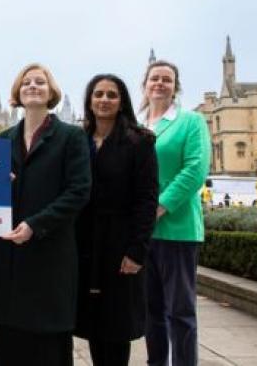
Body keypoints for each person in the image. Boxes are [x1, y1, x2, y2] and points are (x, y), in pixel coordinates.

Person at [0, 63, 91, 366]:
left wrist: (35, 224)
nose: (33, 86)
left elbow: (79, 191)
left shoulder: (71, 137)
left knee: (49, 348)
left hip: (51, 255)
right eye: (26, 82)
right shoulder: (1, 140)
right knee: (9, 345)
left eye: (40, 82)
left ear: (51, 92)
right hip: (10, 257)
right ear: (18, 92)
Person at [74, 74, 159, 365]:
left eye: (112, 95)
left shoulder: (140, 141)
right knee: (94, 324)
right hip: (85, 243)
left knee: (117, 326)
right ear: (89, 100)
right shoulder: (79, 140)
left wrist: (137, 251)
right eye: (98, 94)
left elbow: (147, 200)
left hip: (120, 244)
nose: (104, 100)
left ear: (122, 101)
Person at [140, 60, 211, 366]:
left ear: (175, 86)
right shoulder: (138, 126)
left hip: (178, 228)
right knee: (151, 312)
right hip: (143, 233)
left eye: (166, 79)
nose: (159, 83)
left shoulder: (190, 121)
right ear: (145, 84)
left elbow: (195, 170)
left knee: (180, 312)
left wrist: (160, 205)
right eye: (154, 78)